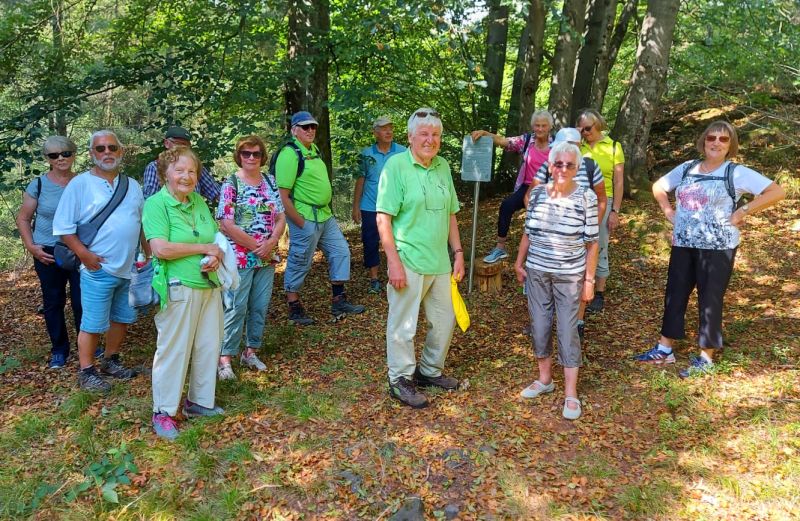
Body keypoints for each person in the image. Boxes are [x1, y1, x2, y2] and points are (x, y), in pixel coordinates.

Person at [634, 121, 785, 377]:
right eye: (711, 137)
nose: (716, 143)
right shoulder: (687, 168)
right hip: (684, 243)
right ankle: (664, 349)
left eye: (723, 139)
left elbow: (776, 191)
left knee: (710, 299)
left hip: (718, 248)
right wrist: (669, 211)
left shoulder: (736, 172)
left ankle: (706, 358)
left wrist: (743, 210)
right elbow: (658, 186)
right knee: (675, 294)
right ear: (703, 141)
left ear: (730, 145)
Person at [376, 107, 465, 409]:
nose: (430, 139)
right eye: (424, 134)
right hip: (408, 259)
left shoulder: (442, 167)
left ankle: (428, 371)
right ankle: (400, 378)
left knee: (444, 320)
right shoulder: (396, 167)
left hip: (440, 262)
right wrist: (393, 262)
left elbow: (451, 213)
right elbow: (383, 219)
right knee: (403, 325)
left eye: (436, 134)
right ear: (411, 137)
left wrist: (459, 253)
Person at [52, 130, 146, 393]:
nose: (107, 153)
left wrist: (147, 256)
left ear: (121, 151)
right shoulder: (80, 184)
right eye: (101, 149)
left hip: (128, 269)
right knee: (92, 323)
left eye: (112, 148)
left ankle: (110, 360)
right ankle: (86, 371)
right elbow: (63, 228)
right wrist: (85, 255)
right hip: (97, 268)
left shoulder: (133, 186)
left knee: (122, 318)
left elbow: (141, 225)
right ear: (92, 153)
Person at [143, 146, 226, 439]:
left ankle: (199, 402)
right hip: (178, 288)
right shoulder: (157, 204)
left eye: (191, 171)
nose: (186, 177)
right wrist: (204, 249)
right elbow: (160, 248)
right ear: (166, 173)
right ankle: (163, 411)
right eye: (179, 170)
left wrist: (215, 255)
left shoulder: (199, 202)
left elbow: (214, 238)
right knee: (174, 350)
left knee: (208, 345)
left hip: (208, 284)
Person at [513, 141, 599, 420]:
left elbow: (592, 243)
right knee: (539, 327)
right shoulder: (537, 194)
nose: (562, 169)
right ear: (550, 166)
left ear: (576, 168)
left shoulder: (586, 197)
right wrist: (518, 261)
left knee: (566, 330)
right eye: (558, 163)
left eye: (569, 165)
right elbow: (529, 231)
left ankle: (571, 393)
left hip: (570, 275)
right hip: (537, 272)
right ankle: (545, 379)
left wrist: (589, 280)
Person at [276, 110, 365, 325]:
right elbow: (282, 195)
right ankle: (294, 306)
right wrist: (299, 222)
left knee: (340, 251)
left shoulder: (313, 150)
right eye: (305, 127)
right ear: (294, 130)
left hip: (325, 215)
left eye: (313, 126)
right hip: (306, 217)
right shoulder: (289, 154)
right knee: (300, 260)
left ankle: (338, 299)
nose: (310, 130)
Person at [216, 136, 286, 381]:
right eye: (246, 153)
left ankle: (250, 351)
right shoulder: (231, 183)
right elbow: (225, 223)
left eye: (256, 154)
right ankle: (225, 358)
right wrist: (256, 246)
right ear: (239, 155)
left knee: (259, 305)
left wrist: (271, 242)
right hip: (241, 258)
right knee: (236, 306)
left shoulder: (270, 181)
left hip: (266, 257)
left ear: (262, 156)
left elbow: (280, 217)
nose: (251, 158)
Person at [526, 127, 606, 342]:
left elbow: (601, 198)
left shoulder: (589, 165)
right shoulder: (550, 165)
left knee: (576, 282)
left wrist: (589, 226)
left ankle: (577, 322)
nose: (571, 148)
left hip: (579, 236)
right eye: (566, 144)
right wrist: (540, 219)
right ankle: (544, 323)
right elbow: (531, 193)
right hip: (551, 237)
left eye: (575, 143)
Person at [16, 136, 82, 369]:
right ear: (47, 159)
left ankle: (87, 346)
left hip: (78, 249)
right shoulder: (39, 185)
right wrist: (31, 246)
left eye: (65, 153)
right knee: (53, 301)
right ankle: (59, 350)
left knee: (82, 300)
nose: (61, 158)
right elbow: (23, 218)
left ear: (74, 154)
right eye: (54, 155)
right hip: (47, 250)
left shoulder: (84, 182)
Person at [471, 110, 553, 264]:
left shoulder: (556, 144)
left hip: (547, 189)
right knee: (506, 206)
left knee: (544, 217)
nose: (540, 129)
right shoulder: (528, 140)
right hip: (526, 187)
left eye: (544, 125)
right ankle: (500, 247)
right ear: (532, 126)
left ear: (550, 127)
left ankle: (543, 252)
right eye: (537, 125)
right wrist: (484, 133)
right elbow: (504, 141)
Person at [576, 109, 624, 312]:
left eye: (588, 128)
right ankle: (579, 284)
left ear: (598, 125)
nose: (585, 132)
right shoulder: (578, 146)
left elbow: (619, 180)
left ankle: (600, 290)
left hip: (603, 199)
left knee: (600, 243)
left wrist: (615, 210)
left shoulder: (613, 146)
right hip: (578, 200)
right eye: (581, 129)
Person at [352, 116, 406, 294]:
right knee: (370, 241)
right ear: (375, 133)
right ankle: (374, 278)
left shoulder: (403, 152)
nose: (388, 131)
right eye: (384, 128)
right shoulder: (366, 154)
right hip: (370, 206)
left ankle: (399, 273)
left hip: (396, 206)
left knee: (400, 240)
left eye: (391, 128)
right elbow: (361, 179)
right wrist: (356, 206)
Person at [142, 126, 220, 203]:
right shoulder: (154, 167)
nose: (181, 148)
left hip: (195, 210)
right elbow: (150, 199)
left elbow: (215, 191)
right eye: (178, 144)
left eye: (185, 145)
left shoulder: (195, 165)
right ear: (166, 143)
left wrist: (227, 199)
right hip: (167, 213)